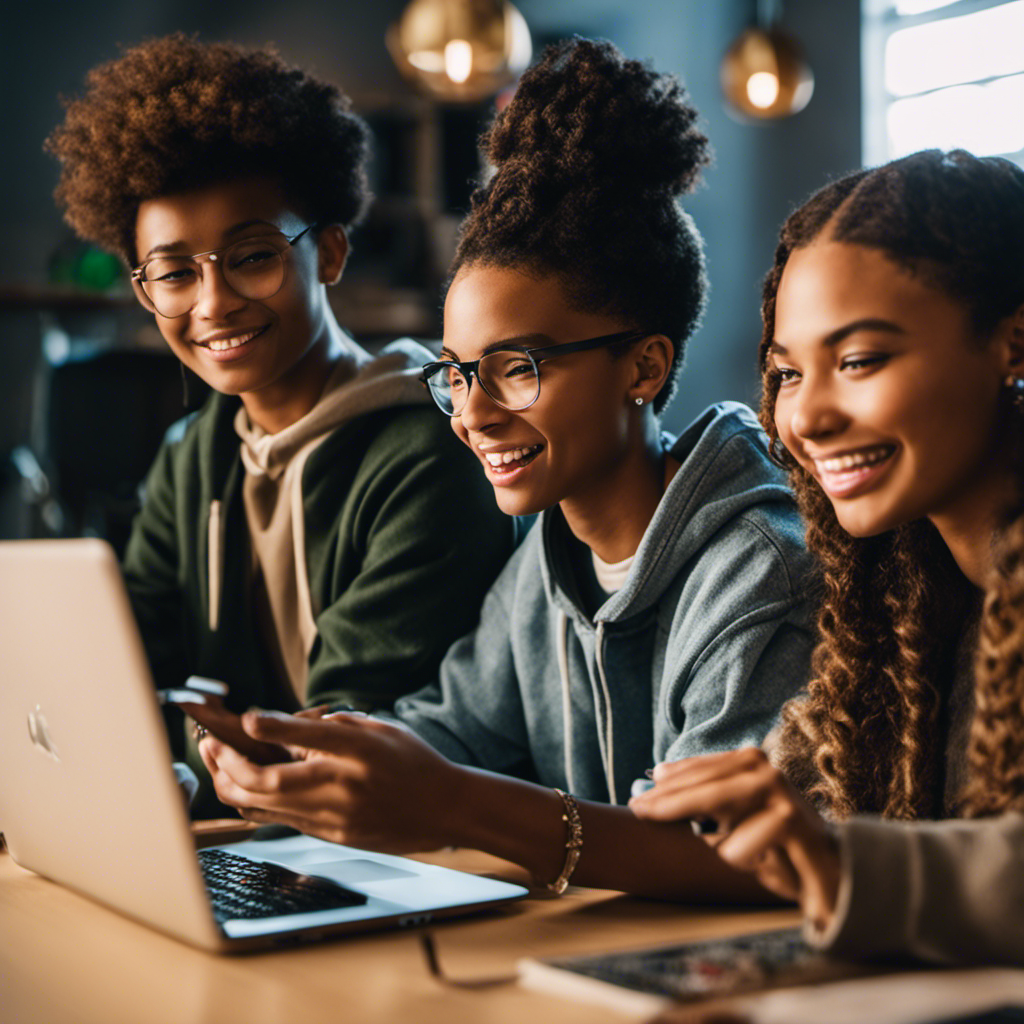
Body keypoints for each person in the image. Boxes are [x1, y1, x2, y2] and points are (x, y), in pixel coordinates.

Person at [197, 38, 817, 898]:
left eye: (517, 367)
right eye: (455, 372)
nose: (473, 411)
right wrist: (312, 751)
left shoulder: (761, 567)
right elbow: (451, 727)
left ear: (642, 367)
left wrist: (451, 804)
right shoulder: (543, 561)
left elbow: (735, 853)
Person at [45, 34, 517, 815]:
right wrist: (190, 746)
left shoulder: (435, 444)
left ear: (329, 252)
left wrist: (199, 745)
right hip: (263, 838)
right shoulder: (193, 455)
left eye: (252, 256)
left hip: (416, 854)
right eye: (172, 273)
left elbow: (347, 732)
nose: (213, 303)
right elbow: (126, 670)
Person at [632, 148, 1024, 963]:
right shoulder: (901, 593)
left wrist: (843, 862)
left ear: (1012, 346)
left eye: (858, 361)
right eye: (786, 372)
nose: (805, 418)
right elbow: (766, 826)